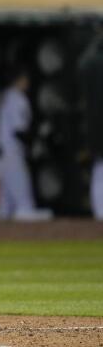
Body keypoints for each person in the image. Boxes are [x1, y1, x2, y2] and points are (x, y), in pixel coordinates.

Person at [0, 67, 52, 221]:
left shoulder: (2, 96)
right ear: (19, 79)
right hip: (10, 154)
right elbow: (19, 131)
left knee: (3, 208)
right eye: (25, 78)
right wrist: (35, 142)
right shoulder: (17, 98)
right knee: (24, 207)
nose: (27, 82)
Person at [77, 22, 103, 221]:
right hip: (97, 125)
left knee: (98, 169)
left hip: (95, 126)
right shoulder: (92, 60)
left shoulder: (89, 59)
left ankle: (99, 212)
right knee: (99, 169)